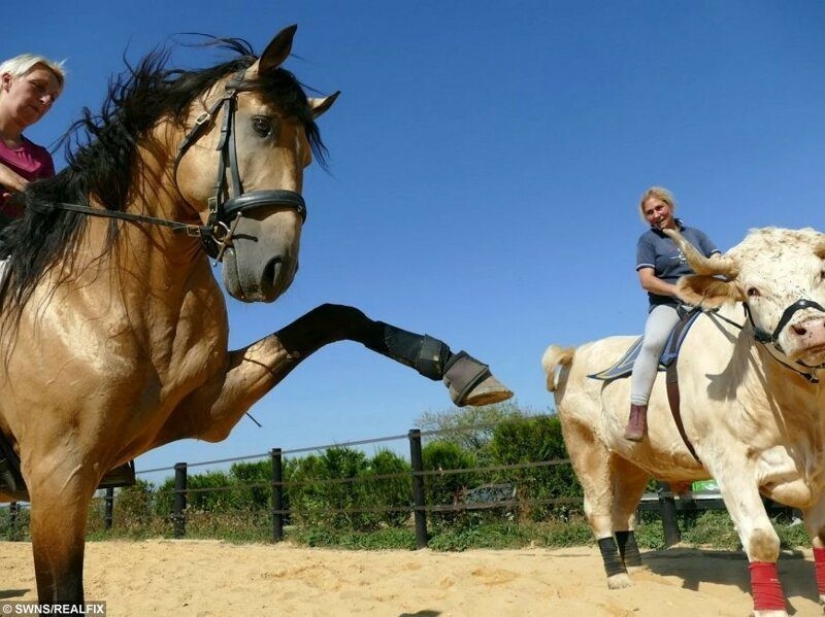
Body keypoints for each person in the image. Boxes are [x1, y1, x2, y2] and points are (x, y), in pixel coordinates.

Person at [624, 186, 721, 442]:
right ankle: (637, 411)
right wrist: (677, 291)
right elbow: (646, 280)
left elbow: (716, 259)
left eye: (660, 208)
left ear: (670, 206)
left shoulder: (696, 234)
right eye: (650, 212)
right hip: (669, 304)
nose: (656, 215)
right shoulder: (648, 241)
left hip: (705, 297)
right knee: (653, 342)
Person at [0, 53, 65, 224]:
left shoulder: (41, 158)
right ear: (7, 81)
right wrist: (22, 187)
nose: (46, 100)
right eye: (38, 86)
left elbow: (50, 214)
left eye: (53, 98)